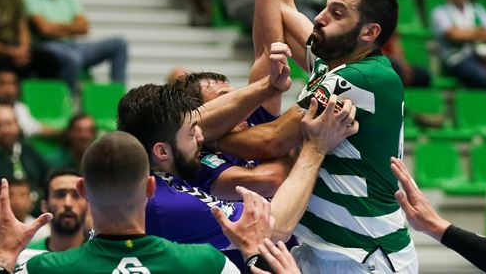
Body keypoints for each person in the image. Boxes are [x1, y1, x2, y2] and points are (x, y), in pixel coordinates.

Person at [224, 0, 418, 271]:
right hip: (322, 246)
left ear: (369, 33)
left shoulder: (363, 78)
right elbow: (283, 7)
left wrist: (200, 136)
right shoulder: (335, 64)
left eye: (337, 13)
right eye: (326, 7)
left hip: (363, 255)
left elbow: (272, 140)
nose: (320, 18)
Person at [116, 80, 358, 268]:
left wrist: (270, 83)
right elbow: (275, 227)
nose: (202, 137)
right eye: (191, 133)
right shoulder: (168, 205)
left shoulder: (153, 182)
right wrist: (316, 147)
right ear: (161, 151)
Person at [0, 134, 297, 274]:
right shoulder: (207, 264)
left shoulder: (39, 269)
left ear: (82, 190)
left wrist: (3, 255)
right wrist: (254, 255)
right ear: (149, 187)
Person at [172, 72, 291, 199]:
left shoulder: (250, 118)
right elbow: (271, 180)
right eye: (225, 99)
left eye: (235, 97)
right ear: (203, 116)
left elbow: (264, 63)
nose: (240, 104)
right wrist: (288, 148)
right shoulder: (194, 159)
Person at [24, 0, 127, 91]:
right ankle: (69, 102)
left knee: (119, 44)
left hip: (73, 44)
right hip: (46, 47)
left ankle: (121, 97)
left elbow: (84, 27)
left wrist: (55, 26)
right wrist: (70, 27)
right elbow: (44, 29)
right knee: (73, 58)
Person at [0, 105, 50, 211]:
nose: (5, 130)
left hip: (36, 213)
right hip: (2, 215)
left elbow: (48, 179)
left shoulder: (29, 149)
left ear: (17, 125)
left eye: (9, 124)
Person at [0, 69, 59, 147]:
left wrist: (66, 134)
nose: (8, 89)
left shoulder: (20, 107)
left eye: (12, 84)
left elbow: (37, 128)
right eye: (2, 84)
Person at [17, 169, 88, 260]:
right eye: (60, 195)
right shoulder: (24, 254)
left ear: (88, 205)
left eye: (76, 195)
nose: (68, 203)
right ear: (44, 206)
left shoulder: (99, 256)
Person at [0, 179, 48, 254]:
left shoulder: (40, 228)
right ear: (2, 198)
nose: (16, 200)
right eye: (11, 195)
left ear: (30, 200)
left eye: (22, 195)